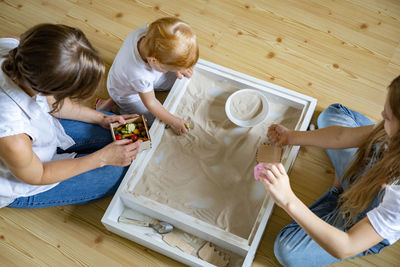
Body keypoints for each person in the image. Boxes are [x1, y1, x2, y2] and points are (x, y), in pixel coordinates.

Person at [255, 76, 400, 266]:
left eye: (388, 117)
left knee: (287, 251)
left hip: (366, 214)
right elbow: (342, 135)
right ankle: (347, 179)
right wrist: (291, 137)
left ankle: (337, 193)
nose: (381, 113)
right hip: (373, 169)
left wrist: (287, 199)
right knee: (331, 114)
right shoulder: (389, 132)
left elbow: (345, 246)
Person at [0, 23, 141, 209]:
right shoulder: (12, 135)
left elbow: (51, 102)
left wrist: (100, 118)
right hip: (21, 180)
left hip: (38, 137)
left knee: (121, 129)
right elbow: (38, 175)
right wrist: (102, 158)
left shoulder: (18, 50)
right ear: (46, 88)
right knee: (117, 172)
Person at [95, 17, 199, 135]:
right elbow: (151, 103)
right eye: (168, 68)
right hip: (127, 95)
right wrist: (174, 121)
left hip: (131, 79)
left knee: (176, 80)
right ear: (153, 61)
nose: (170, 70)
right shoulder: (139, 75)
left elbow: (171, 44)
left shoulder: (148, 33)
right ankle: (117, 107)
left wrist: (178, 66)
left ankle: (115, 100)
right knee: (153, 120)